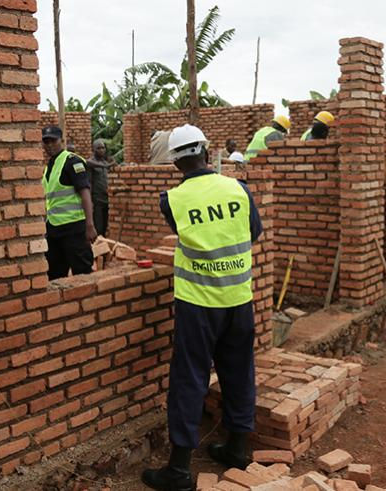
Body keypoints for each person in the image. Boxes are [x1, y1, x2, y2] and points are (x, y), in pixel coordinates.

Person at [142, 124, 263, 490]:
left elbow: (187, 232)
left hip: (198, 304)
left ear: (176, 163)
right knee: (239, 371)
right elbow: (253, 233)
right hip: (239, 300)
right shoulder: (238, 190)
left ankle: (178, 470)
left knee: (190, 378)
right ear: (208, 153)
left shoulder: (172, 200)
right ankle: (238, 448)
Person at [40, 126, 98, 280]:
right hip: (54, 230)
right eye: (46, 141)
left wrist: (90, 225)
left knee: (82, 272)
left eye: (53, 140)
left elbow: (85, 193)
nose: (49, 145)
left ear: (62, 141)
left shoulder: (72, 162)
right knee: (55, 275)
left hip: (74, 229)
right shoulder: (49, 167)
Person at [86, 140, 115, 237]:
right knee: (98, 227)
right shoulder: (91, 163)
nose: (101, 150)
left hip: (106, 199)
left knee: (105, 226)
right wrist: (90, 202)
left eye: (103, 148)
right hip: (97, 200)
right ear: (93, 149)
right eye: (99, 148)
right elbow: (89, 183)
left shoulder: (104, 162)